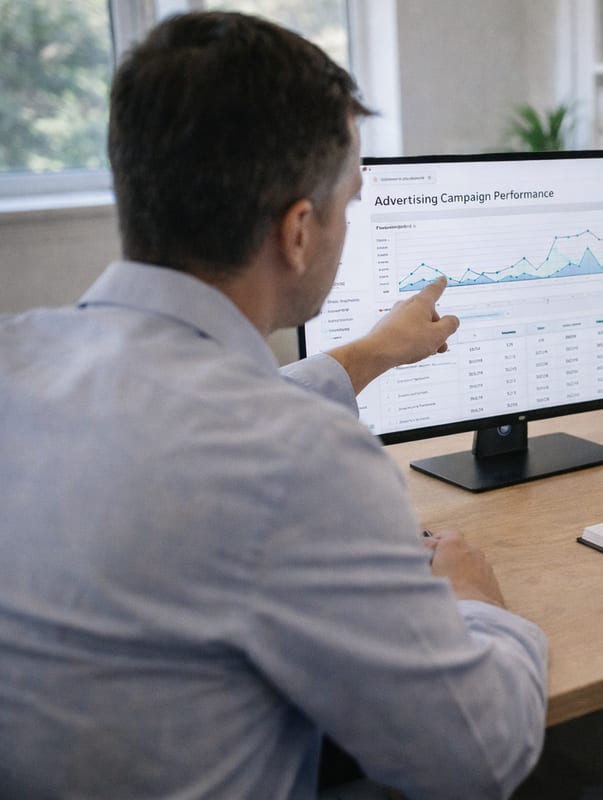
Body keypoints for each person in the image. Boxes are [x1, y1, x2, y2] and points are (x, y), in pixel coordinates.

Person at [0, 11, 547, 799]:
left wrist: (362, 356)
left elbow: (183, 424)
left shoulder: (23, 356)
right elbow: (481, 760)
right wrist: (481, 605)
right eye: (349, 204)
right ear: (298, 231)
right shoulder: (300, 457)